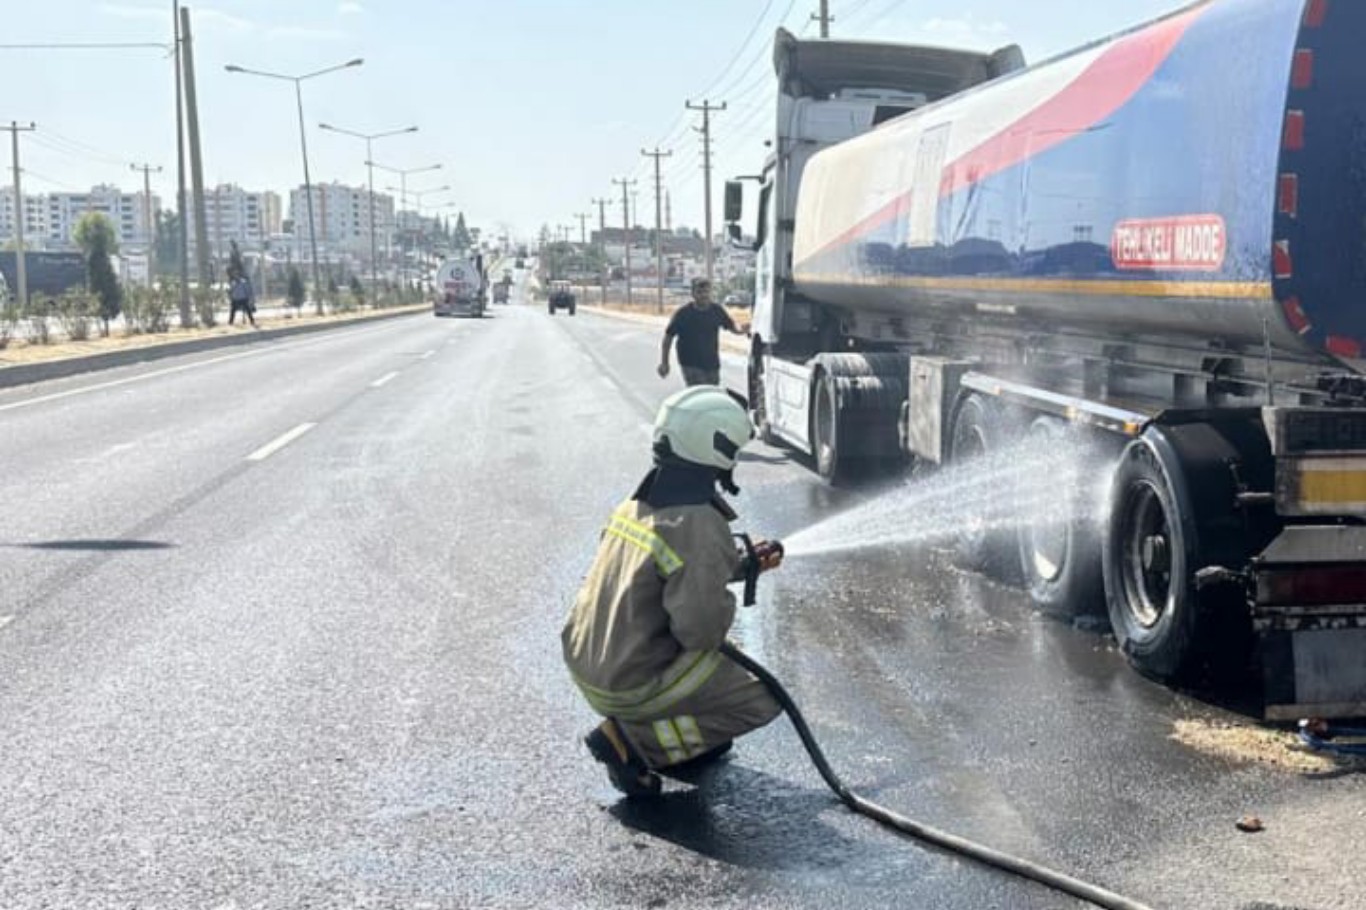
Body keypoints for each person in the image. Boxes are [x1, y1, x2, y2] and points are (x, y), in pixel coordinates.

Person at [562, 386, 785, 797]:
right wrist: (722, 591)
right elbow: (700, 632)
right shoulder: (698, 522)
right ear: (715, 444)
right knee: (762, 696)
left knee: (711, 687)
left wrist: (739, 564)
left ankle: (674, 743)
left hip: (591, 663)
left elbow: (665, 570)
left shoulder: (637, 506)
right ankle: (637, 744)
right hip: (628, 682)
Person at [657, 278, 748, 386]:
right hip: (690, 363)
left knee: (711, 396)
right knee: (699, 393)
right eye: (699, 292)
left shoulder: (717, 310)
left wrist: (742, 330)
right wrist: (665, 363)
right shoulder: (683, 314)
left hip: (712, 363)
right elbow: (668, 338)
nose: (704, 295)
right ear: (693, 294)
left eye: (706, 292)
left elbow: (731, 326)